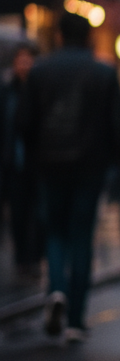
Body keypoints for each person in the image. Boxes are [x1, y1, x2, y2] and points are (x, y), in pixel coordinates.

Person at [19, 12, 120, 342]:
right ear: (88, 37)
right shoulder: (104, 74)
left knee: (55, 232)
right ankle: (76, 319)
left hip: (49, 165)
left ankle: (56, 290)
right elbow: (116, 126)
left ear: (60, 35)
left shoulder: (40, 72)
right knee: (81, 235)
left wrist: (36, 154)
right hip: (90, 166)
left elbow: (24, 122)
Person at [1, 42, 42, 279]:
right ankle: (22, 259)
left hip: (36, 163)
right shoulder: (7, 92)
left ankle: (34, 257)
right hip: (13, 163)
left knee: (36, 214)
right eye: (20, 60)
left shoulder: (40, 89)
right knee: (17, 213)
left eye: (28, 60)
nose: (24, 65)